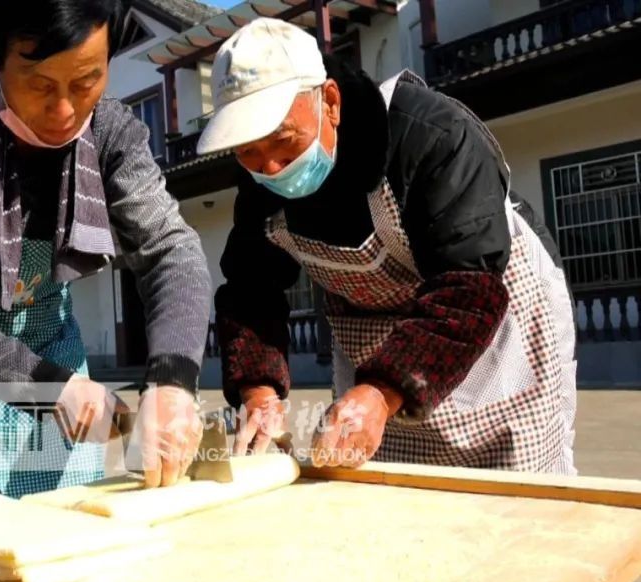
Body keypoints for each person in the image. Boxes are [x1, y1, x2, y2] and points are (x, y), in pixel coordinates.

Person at [200, 18, 577, 474]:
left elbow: (469, 286)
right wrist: (257, 390)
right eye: (248, 153)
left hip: (491, 328)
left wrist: (382, 391)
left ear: (331, 102)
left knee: (519, 499)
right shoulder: (260, 182)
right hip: (375, 352)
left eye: (284, 142)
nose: (272, 168)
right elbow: (251, 291)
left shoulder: (432, 136)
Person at [0, 0, 212, 502]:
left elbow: (170, 250)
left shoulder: (114, 135)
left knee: (64, 530)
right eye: (40, 85)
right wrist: (43, 386)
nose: (65, 112)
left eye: (86, 82)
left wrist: (172, 379)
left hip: (46, 339)